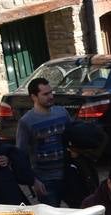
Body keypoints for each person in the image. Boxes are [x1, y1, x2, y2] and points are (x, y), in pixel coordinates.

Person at [16, 77, 70, 207]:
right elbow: (20, 154)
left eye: (51, 92)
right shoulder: (26, 121)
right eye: (45, 94)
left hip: (68, 174)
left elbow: (72, 138)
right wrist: (33, 181)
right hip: (45, 180)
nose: (51, 96)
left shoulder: (62, 113)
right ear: (34, 97)